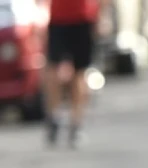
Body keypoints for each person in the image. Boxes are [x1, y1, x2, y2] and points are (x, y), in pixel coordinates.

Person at [43, 0, 110, 147]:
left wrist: (102, 17)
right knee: (54, 72)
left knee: (79, 75)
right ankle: (54, 117)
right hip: (58, 19)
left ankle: (76, 123)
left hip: (83, 19)